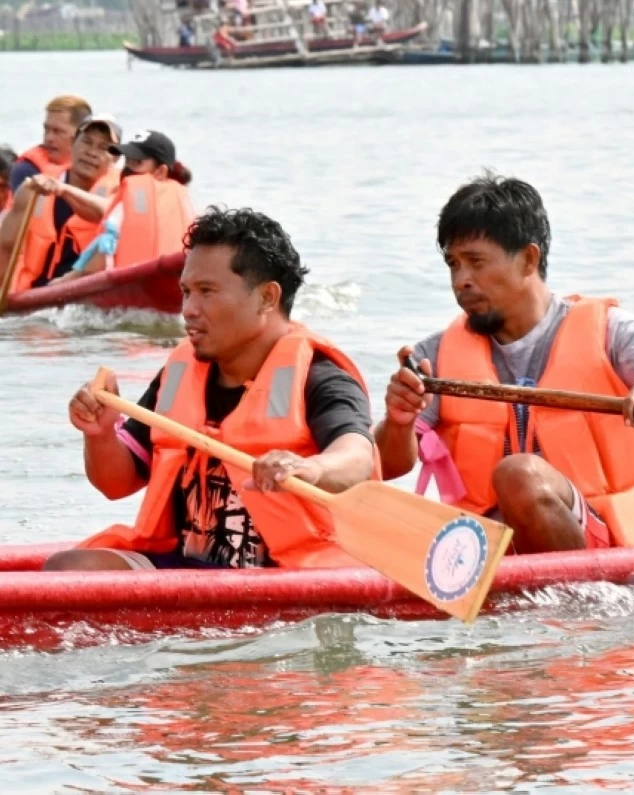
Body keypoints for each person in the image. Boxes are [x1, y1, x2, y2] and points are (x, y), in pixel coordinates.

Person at [374, 173, 634, 554]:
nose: (461, 280)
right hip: (483, 545)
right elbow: (385, 466)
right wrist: (399, 420)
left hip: (603, 539)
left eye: (475, 262)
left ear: (529, 259)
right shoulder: (432, 356)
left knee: (518, 475)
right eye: (453, 264)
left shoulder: (610, 332)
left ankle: (574, 589)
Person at [45, 206, 379, 572]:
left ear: (267, 298)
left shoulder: (320, 375)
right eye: (186, 292)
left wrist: (310, 469)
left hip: (289, 575)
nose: (188, 309)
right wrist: (100, 433)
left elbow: (357, 458)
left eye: (206, 291)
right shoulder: (179, 374)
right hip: (185, 571)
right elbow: (115, 484)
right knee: (72, 567)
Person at [0, 114, 121, 293]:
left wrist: (63, 190)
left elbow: (110, 212)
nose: (92, 152)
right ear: (73, 144)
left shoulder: (120, 193)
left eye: (104, 148)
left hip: (86, 292)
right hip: (34, 292)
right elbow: (5, 246)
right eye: (87, 142)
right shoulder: (34, 187)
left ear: (115, 159)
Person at [58, 129, 195, 280]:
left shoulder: (132, 199)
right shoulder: (184, 203)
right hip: (168, 282)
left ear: (160, 171)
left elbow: (102, 253)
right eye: (127, 161)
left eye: (137, 162)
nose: (128, 168)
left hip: (131, 285)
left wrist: (67, 280)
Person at [5, 95, 93, 204]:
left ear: (80, 135)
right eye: (46, 130)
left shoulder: (97, 168)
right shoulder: (27, 170)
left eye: (57, 131)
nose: (48, 138)